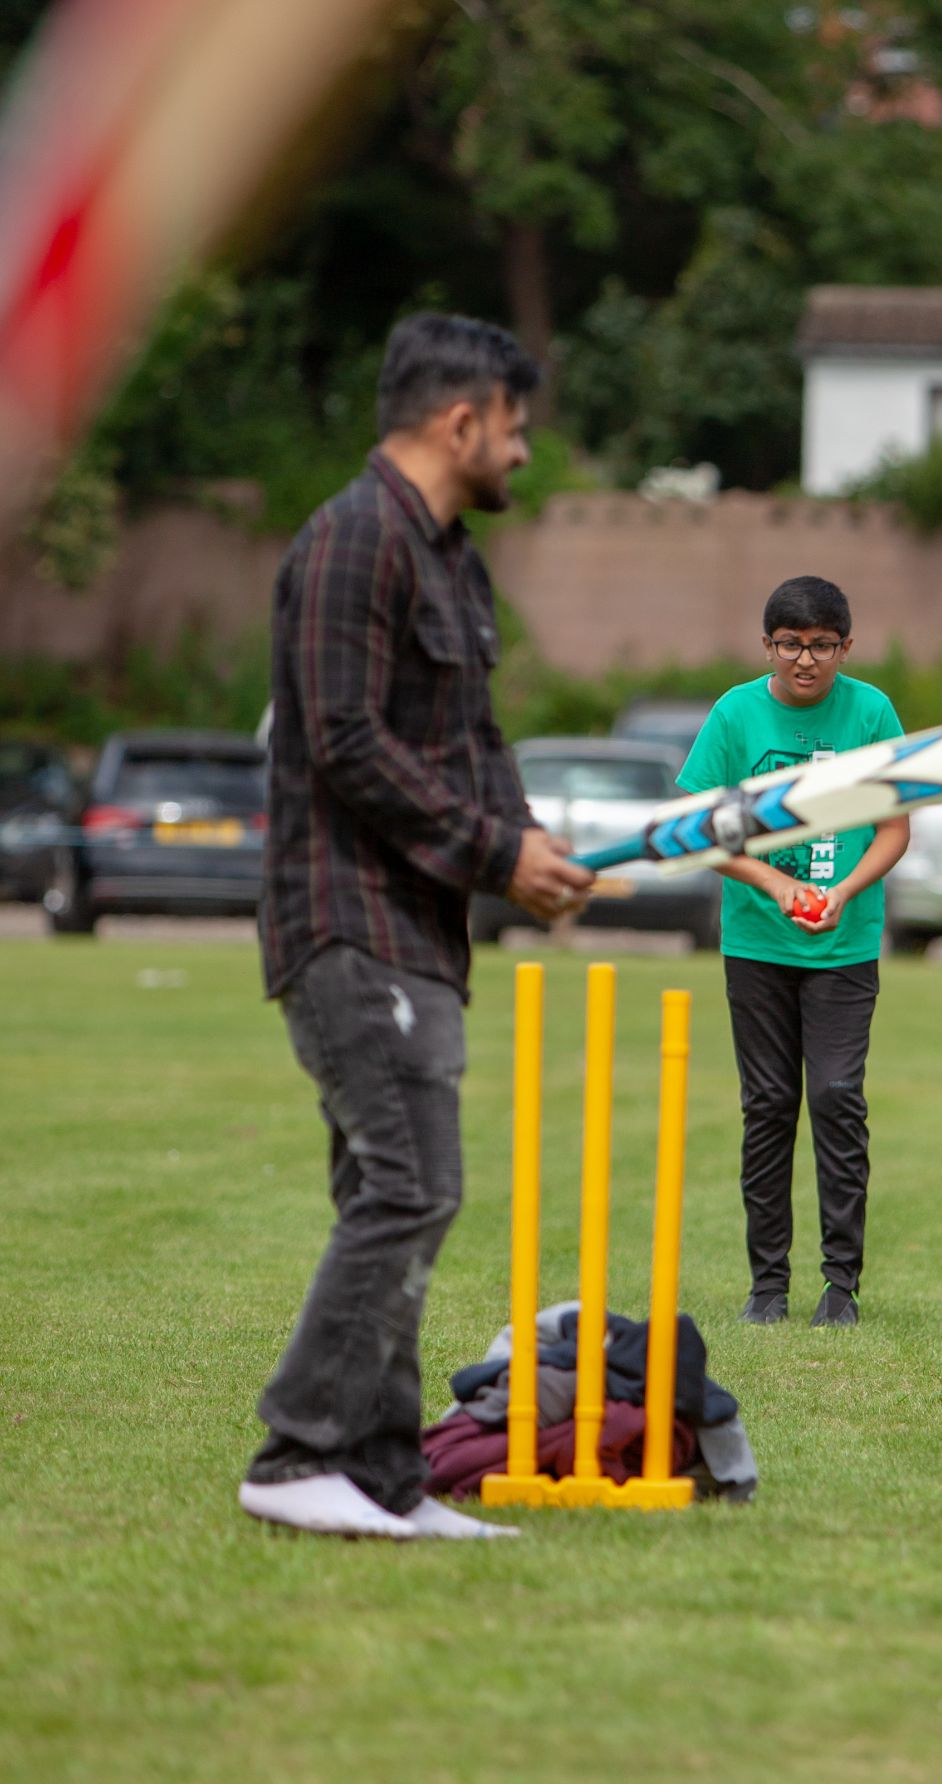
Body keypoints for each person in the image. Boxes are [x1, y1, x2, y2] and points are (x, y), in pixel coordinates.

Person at [239, 313, 590, 1541]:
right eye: (516, 429)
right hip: (344, 919)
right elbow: (340, 742)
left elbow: (470, 747)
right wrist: (499, 853)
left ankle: (385, 1477)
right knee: (412, 1186)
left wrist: (534, 854)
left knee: (390, 1190)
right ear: (462, 421)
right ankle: (297, 1454)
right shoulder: (350, 542)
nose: (524, 455)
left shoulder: (447, 557)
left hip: (422, 930)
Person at [677, 576, 908, 1329]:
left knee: (837, 1098)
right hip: (756, 941)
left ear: (845, 645)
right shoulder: (735, 713)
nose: (803, 660)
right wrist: (773, 882)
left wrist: (841, 892)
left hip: (843, 944)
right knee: (768, 1104)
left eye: (819, 645)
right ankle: (765, 1287)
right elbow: (704, 828)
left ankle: (839, 1285)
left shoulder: (870, 712)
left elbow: (894, 830)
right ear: (766, 644)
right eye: (788, 644)